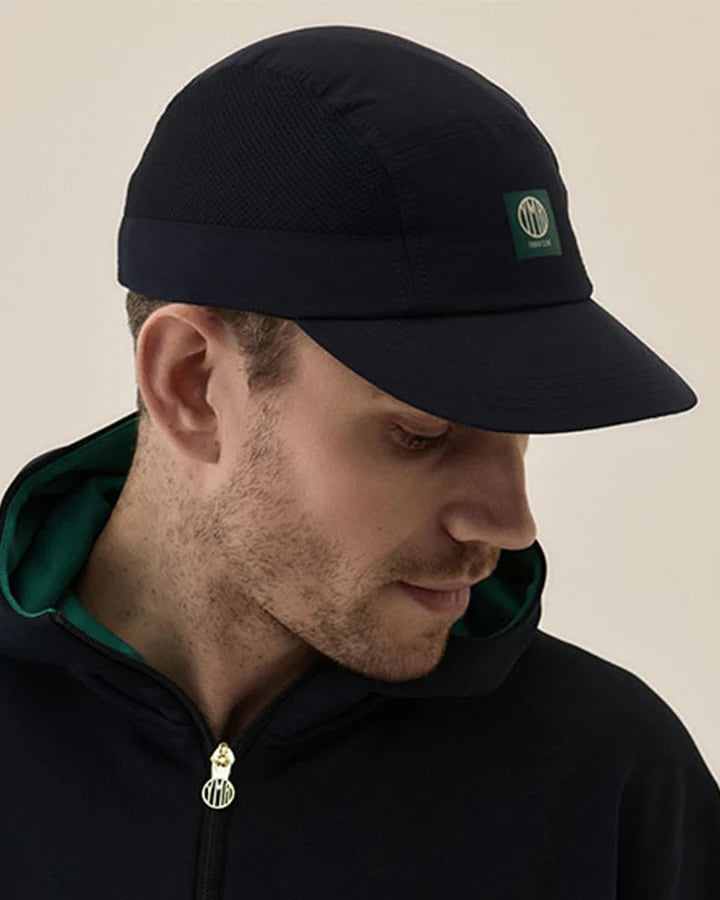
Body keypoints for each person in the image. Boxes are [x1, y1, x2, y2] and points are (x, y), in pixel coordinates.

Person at [1, 23, 718, 899]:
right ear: (192, 385)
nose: (511, 524)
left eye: (519, 428)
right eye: (421, 433)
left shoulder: (614, 783)